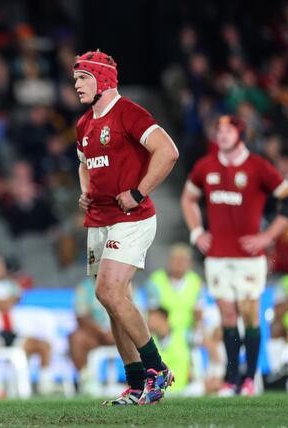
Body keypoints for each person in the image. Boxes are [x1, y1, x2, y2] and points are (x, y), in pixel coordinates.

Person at [74, 50, 180, 405]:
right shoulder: (84, 124)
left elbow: (167, 151)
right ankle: (137, 385)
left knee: (108, 292)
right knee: (113, 301)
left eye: (83, 77)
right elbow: (85, 165)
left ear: (103, 79)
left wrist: (138, 191)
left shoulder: (130, 113)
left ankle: (156, 369)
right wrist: (85, 191)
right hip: (99, 220)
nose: (76, 85)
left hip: (132, 219)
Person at [181, 114, 288, 396]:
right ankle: (231, 379)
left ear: (241, 134)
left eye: (228, 130)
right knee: (228, 316)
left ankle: (249, 379)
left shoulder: (258, 166)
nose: (221, 134)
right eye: (218, 130)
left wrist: (267, 237)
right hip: (218, 256)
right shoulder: (205, 166)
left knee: (249, 312)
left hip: (249, 256)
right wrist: (197, 232)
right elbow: (188, 198)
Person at [0, 250, 53, 396]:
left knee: (43, 345)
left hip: (12, 333)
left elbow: (16, 298)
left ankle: (45, 385)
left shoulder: (10, 284)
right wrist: (3, 302)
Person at [144, 244, 204, 392]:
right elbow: (153, 313)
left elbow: (199, 314)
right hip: (163, 329)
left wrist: (198, 331)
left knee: (207, 339)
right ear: (169, 262)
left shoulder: (195, 282)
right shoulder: (156, 281)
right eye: (175, 260)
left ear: (189, 264)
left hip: (187, 330)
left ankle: (208, 381)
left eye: (183, 260)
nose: (178, 263)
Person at [68, 278, 114, 376]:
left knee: (138, 335)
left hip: (121, 333)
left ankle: (138, 380)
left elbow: (135, 315)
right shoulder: (85, 288)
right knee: (76, 338)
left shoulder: (125, 284)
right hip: (96, 335)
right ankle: (86, 377)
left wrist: (117, 331)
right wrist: (100, 331)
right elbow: (81, 317)